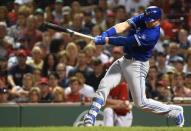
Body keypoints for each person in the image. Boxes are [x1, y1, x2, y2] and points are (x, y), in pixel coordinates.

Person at [83, 6, 184, 127]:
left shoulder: (152, 34)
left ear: (158, 20)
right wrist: (105, 33)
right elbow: (123, 26)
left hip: (137, 65)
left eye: (150, 20)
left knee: (141, 103)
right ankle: (90, 117)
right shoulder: (144, 17)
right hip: (124, 60)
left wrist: (106, 40)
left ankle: (174, 111)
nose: (147, 21)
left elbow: (126, 41)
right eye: (146, 18)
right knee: (104, 84)